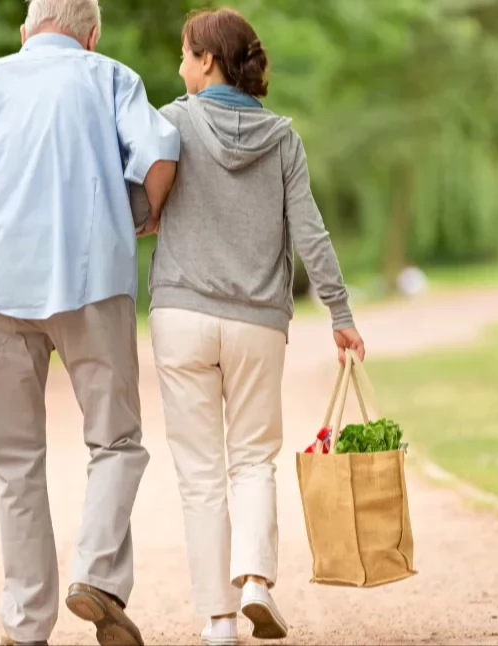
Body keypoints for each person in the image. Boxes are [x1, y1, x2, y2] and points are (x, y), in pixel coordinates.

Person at [0, 0, 180, 644]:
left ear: (25, 32)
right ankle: (97, 577)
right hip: (92, 285)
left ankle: (26, 624)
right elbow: (161, 155)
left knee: (14, 461)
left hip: (0, 290)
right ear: (91, 35)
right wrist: (146, 216)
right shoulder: (111, 77)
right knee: (116, 443)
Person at [132, 7, 365, 645]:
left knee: (201, 474)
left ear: (208, 61)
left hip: (182, 316)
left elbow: (137, 206)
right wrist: (339, 314)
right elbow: (310, 234)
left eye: (185, 55)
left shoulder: (172, 122)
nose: (179, 68)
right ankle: (257, 580)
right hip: (258, 323)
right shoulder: (284, 138)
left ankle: (217, 621)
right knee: (253, 460)